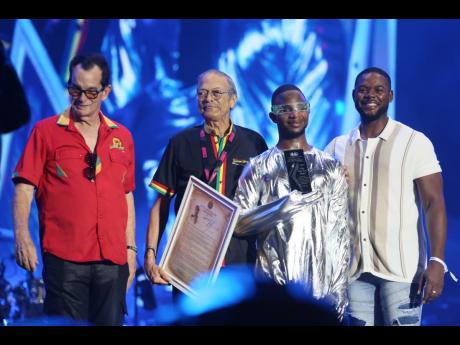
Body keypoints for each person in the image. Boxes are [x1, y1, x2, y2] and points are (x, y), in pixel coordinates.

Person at [325, 67, 456, 326]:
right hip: (353, 271)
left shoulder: (414, 142)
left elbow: (434, 203)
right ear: (353, 96)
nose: (370, 95)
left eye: (378, 90)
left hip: (402, 272)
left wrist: (438, 262)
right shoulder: (336, 146)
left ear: (390, 96)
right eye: (363, 90)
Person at [12, 53, 136, 326]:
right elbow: (24, 187)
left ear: (106, 91)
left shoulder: (122, 137)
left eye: (91, 92)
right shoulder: (45, 132)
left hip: (113, 261)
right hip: (65, 260)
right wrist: (22, 237)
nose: (81, 98)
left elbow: (126, 194)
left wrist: (131, 250)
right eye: (74, 89)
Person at [233, 84, 351, 320]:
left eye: (300, 107)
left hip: (320, 289)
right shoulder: (258, 166)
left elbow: (340, 234)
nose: (294, 114)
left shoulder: (330, 166)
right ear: (273, 116)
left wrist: (338, 291)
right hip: (274, 287)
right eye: (286, 109)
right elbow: (238, 223)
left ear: (308, 112)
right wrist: (282, 206)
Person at [144, 69, 268, 292]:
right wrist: (151, 253)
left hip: (239, 261)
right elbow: (160, 204)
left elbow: (266, 203)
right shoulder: (181, 142)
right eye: (201, 93)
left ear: (233, 100)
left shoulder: (254, 143)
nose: (207, 98)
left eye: (216, 93)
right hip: (190, 261)